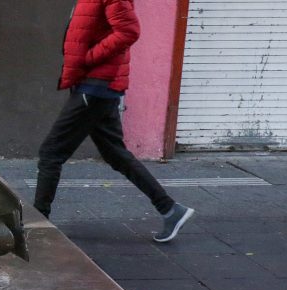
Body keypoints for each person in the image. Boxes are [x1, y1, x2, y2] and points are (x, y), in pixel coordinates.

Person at [34, 0, 194, 243]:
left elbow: (129, 31)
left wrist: (89, 58)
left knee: (50, 154)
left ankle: (38, 223)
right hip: (93, 85)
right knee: (116, 154)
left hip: (95, 86)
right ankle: (170, 209)